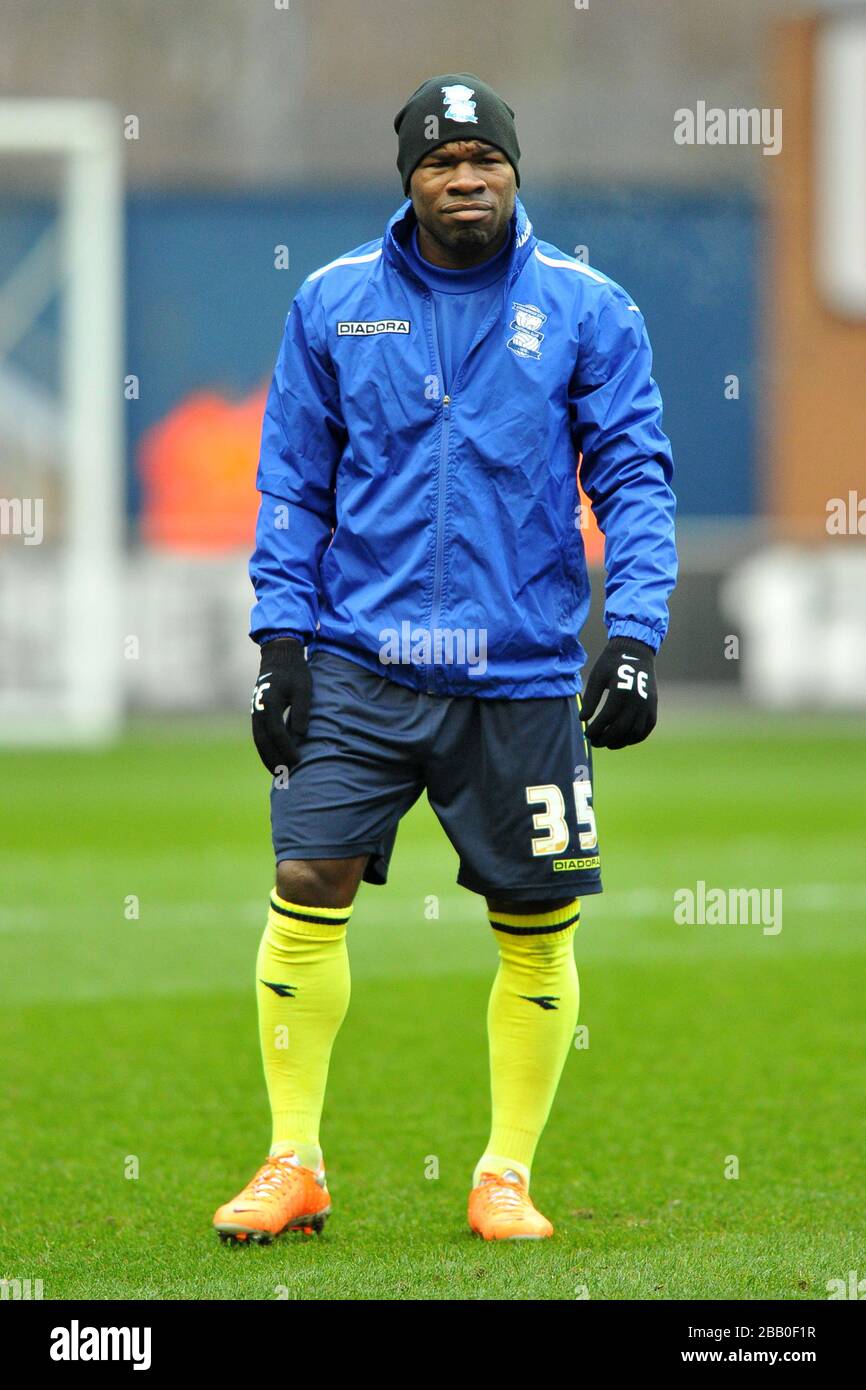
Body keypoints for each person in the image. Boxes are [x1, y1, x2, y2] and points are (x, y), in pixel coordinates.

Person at [213, 73, 677, 1245]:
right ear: (407, 179)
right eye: (440, 161)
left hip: (520, 676)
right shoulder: (330, 303)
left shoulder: (587, 306)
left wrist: (632, 634)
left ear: (512, 171)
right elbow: (291, 482)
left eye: (484, 159)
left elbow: (632, 478)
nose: (464, 178)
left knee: (533, 920)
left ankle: (503, 1173)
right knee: (307, 877)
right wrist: (278, 641)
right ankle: (292, 1160)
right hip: (361, 662)